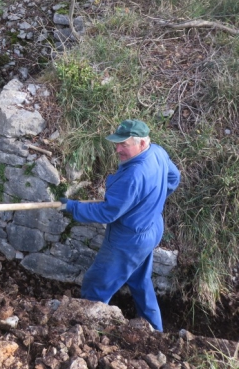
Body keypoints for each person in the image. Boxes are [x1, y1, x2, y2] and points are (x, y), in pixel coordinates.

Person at [60, 120, 180, 331]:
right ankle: (155, 330)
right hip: (151, 228)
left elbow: (108, 212)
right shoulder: (158, 152)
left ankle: (86, 330)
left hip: (128, 240)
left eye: (124, 144)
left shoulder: (134, 175)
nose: (118, 149)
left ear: (142, 143)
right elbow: (174, 177)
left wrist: (73, 207)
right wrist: (150, 201)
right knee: (140, 281)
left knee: (97, 285)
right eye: (117, 143)